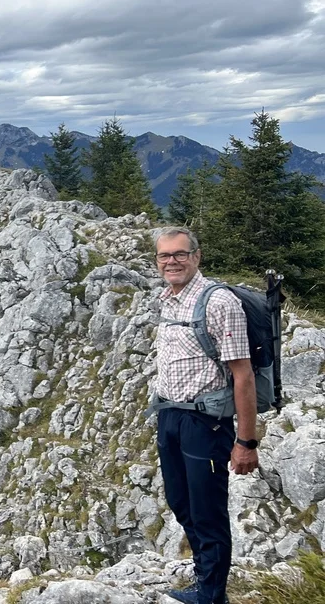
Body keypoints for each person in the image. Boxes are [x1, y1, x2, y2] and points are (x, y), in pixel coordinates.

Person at [151, 227, 259, 604]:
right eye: (164, 256)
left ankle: (212, 594)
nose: (172, 262)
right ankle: (204, 579)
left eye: (180, 254)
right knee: (180, 501)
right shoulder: (168, 298)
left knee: (208, 511)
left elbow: (242, 375)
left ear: (196, 256)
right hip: (170, 417)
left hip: (206, 422)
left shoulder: (218, 303)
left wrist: (246, 442)